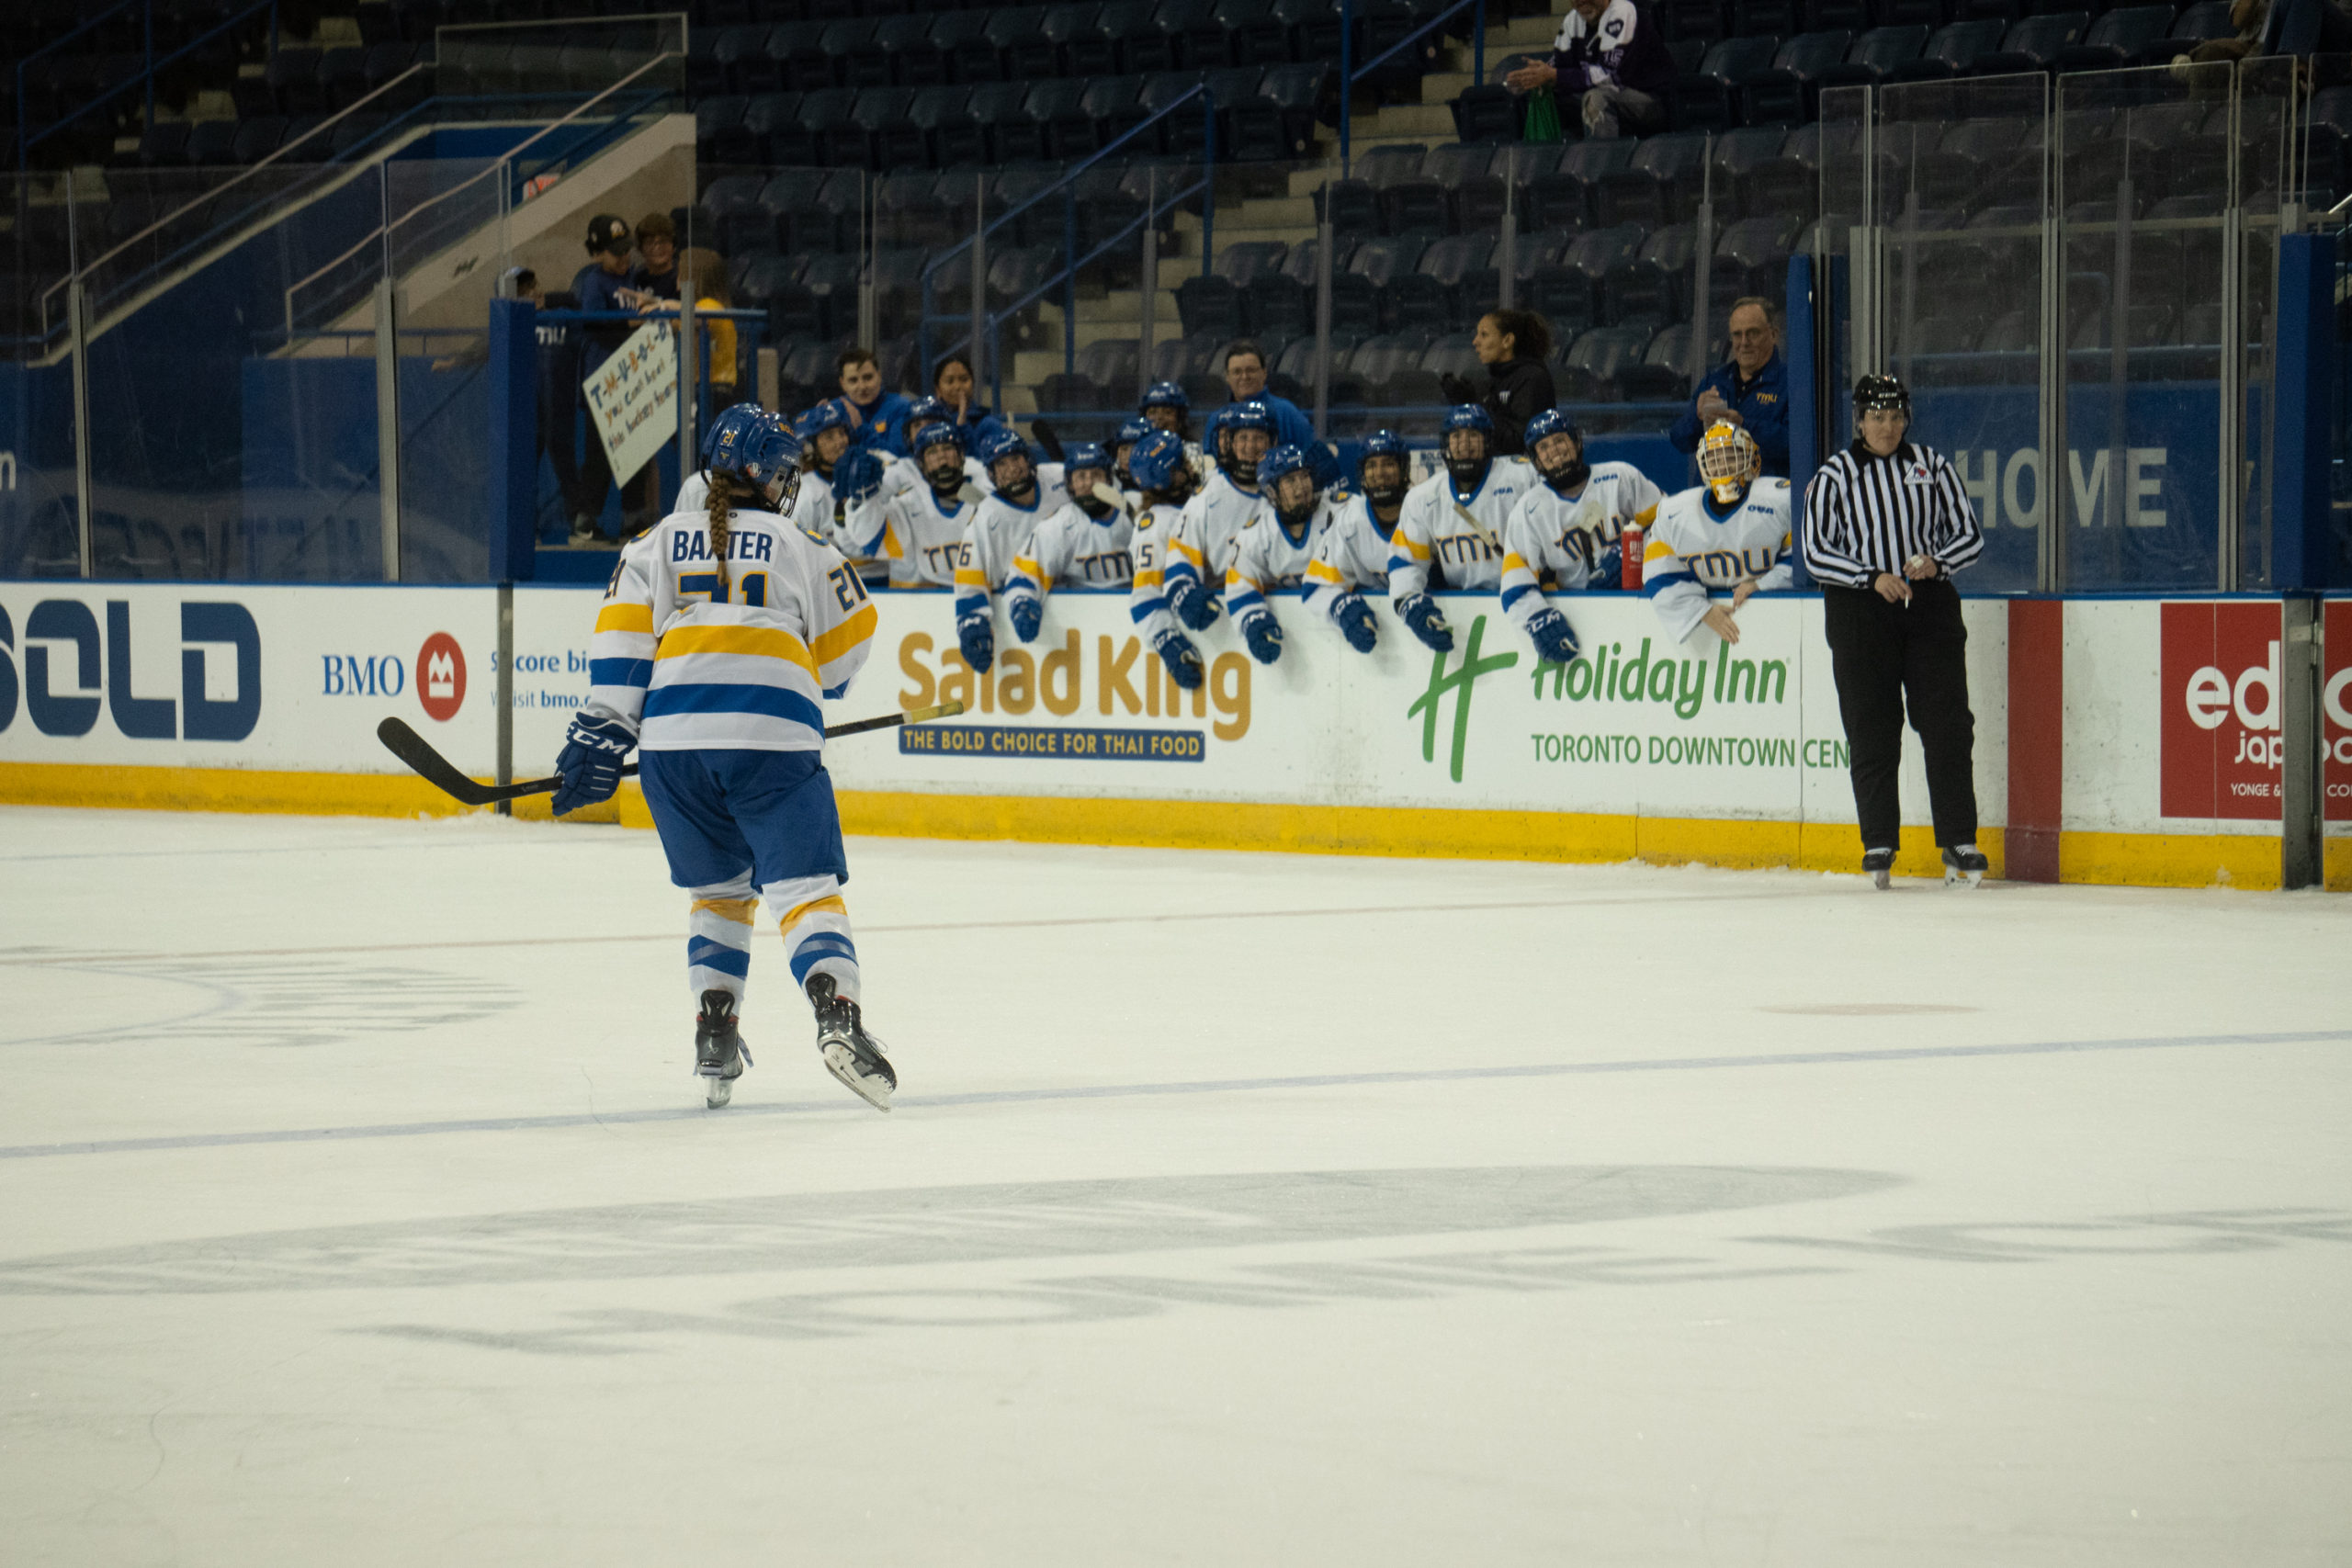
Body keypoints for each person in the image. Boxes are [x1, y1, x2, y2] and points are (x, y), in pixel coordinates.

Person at [551, 403, 896, 1112]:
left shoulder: (651, 542)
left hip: (674, 747)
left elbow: (621, 652)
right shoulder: (804, 545)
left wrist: (600, 730)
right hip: (771, 735)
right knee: (802, 890)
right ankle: (839, 1019)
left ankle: (715, 1028)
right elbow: (840, 664)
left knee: (719, 893)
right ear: (769, 475)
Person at [1801, 373, 1988, 890]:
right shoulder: (1834, 475)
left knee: (1948, 724)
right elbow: (1814, 551)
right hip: (1861, 612)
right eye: (1876, 417)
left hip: (1928, 608)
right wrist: (1869, 577)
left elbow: (1970, 535)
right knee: (1872, 727)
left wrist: (1937, 561)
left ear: (1907, 418)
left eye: (1895, 416)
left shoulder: (1932, 467)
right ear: (1859, 421)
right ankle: (1878, 839)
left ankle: (1959, 838)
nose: (1887, 427)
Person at [1499, 409, 1667, 662]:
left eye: (1559, 440)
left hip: (1639, 605)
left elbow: (1668, 524)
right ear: (1536, 460)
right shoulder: (1528, 510)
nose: (1553, 449)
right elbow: (1515, 581)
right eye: (1543, 447)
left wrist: (1632, 553)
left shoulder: (1620, 477)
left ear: (1576, 442)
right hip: (1577, 616)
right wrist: (1537, 617)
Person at [1387, 405, 1540, 652]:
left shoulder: (1522, 476)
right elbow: (1406, 561)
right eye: (1456, 436)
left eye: (1473, 435)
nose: (1464, 443)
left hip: (1527, 602)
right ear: (1446, 444)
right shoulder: (1423, 497)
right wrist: (1409, 601)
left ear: (1487, 441)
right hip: (1463, 611)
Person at [1639, 420, 1792, 652]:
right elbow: (1657, 572)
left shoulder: (1782, 499)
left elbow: (1805, 559)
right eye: (1713, 459)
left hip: (1777, 627)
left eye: (1730, 456)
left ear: (1753, 460)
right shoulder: (1674, 513)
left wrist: (1764, 584)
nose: (1722, 465)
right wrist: (1701, 611)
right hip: (1710, 635)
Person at [569, 212, 650, 544]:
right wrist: (630, 322)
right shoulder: (593, 282)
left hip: (632, 378)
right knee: (600, 456)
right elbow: (593, 322)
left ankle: (633, 519)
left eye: (627, 250)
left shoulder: (632, 277)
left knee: (635, 451)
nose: (624, 258)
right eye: (616, 253)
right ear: (597, 253)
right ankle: (586, 522)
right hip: (603, 379)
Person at [1165, 399, 1274, 632]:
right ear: (1231, 444)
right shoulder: (1209, 496)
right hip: (1223, 613)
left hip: (1284, 608)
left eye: (1259, 438)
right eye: (1243, 438)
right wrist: (1184, 593)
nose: (1251, 446)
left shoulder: (1287, 492)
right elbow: (1180, 554)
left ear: (1272, 442)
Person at [1006, 442, 1133, 642]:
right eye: (1081, 477)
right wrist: (1023, 603)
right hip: (1082, 625)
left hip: (1133, 624)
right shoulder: (1059, 525)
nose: (1089, 483)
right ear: (1070, 484)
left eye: (1096, 475)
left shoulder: (1132, 514)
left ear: (1109, 479)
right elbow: (1024, 574)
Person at [955, 428, 1055, 674]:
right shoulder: (985, 517)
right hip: (1017, 610)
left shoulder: (1059, 479)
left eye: (1016, 458)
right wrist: (973, 622)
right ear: (991, 473)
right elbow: (970, 577)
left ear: (1029, 460)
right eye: (1001, 464)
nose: (1012, 468)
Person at [1304, 430, 1413, 653]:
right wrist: (1343, 609)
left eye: (1388, 464)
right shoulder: (1349, 520)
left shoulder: (1424, 510)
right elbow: (1315, 587)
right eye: (1371, 466)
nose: (1379, 473)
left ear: (1403, 470)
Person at [1226, 444, 1335, 666]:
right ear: (1272, 491)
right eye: (1290, 480)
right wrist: (1254, 620)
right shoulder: (1254, 535)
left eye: (1304, 476)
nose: (1302, 486)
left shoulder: (1339, 516)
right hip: (1295, 643)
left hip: (1340, 631)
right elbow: (1240, 589)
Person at [1504, 0, 1675, 139]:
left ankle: (1600, 173)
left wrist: (1553, 76)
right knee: (1535, 95)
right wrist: (1532, 78)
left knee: (1595, 100)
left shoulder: (1623, 11)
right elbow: (1558, 67)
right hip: (1607, 95)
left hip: (1652, 101)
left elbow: (1609, 77)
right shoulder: (1573, 20)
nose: (1581, 1)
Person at [847, 420, 978, 591]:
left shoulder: (984, 499)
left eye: (947, 448)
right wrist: (861, 500)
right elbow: (873, 543)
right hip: (920, 604)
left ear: (961, 455)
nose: (941, 456)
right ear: (920, 463)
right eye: (932, 452)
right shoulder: (907, 505)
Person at [1670, 297, 1789, 478]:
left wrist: (1743, 426)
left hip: (1763, 497)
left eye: (1753, 333)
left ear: (1773, 335)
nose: (1744, 342)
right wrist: (1697, 415)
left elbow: (1795, 444)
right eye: (1737, 334)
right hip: (1712, 498)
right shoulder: (1714, 380)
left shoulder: (1791, 383)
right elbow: (1679, 439)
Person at [1125, 429, 1206, 690]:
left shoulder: (1191, 505)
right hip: (1198, 630)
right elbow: (1145, 595)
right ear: (1168, 475)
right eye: (1182, 462)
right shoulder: (1156, 524)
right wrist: (1165, 640)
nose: (1191, 465)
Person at [1218, 339, 1343, 486]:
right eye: (1237, 372)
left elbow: (1315, 463)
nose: (1244, 377)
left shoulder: (1287, 412)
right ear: (1227, 376)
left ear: (1264, 373)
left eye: (1251, 370)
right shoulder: (1218, 418)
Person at [1438, 310, 1557, 457]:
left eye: (1484, 335)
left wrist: (1475, 405)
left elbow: (1518, 443)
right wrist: (1464, 402)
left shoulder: (1532, 378)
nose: (1475, 341)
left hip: (1523, 474)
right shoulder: (1495, 379)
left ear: (1507, 340)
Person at [839, 346, 919, 457]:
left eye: (868, 378)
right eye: (853, 380)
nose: (862, 386)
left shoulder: (900, 408)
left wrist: (862, 431)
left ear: (879, 376)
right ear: (843, 383)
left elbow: (898, 458)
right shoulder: (835, 410)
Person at [932, 353, 1004, 445]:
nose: (958, 387)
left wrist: (963, 425)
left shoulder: (988, 424)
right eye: (950, 381)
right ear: (938, 389)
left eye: (964, 379)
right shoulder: (929, 424)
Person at [627, 211, 680, 306]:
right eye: (650, 242)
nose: (657, 247)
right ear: (641, 248)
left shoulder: (682, 276)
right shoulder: (635, 278)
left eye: (663, 241)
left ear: (673, 245)